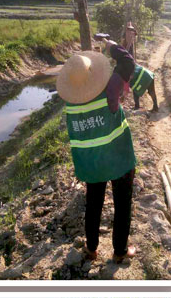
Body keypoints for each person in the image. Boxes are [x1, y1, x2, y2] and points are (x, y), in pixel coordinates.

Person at [57, 51, 137, 264]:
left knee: (93, 204)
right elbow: (128, 63)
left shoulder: (71, 104)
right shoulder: (109, 90)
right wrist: (113, 47)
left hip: (93, 164)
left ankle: (91, 249)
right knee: (122, 204)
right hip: (118, 159)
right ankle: (120, 251)